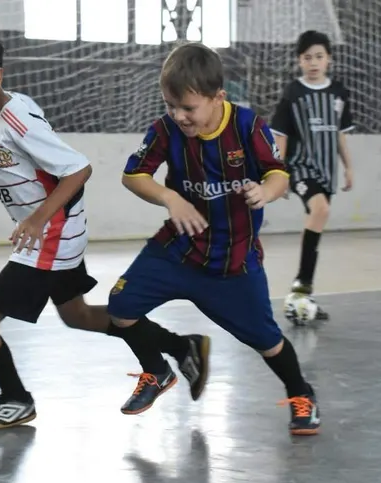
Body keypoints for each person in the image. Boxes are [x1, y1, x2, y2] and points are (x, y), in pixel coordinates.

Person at [0, 21, 209, 430]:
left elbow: (78, 170)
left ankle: (16, 399)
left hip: (50, 241)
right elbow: (26, 160)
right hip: (58, 236)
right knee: (77, 315)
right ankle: (180, 346)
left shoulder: (16, 118)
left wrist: (36, 217)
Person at [107, 42, 321, 435]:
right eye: (171, 105)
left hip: (233, 262)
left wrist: (266, 192)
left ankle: (300, 392)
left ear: (217, 97)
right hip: (177, 249)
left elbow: (278, 172)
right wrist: (169, 197)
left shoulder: (247, 126)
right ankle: (157, 371)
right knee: (120, 307)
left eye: (188, 108)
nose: (178, 115)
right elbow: (133, 175)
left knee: (268, 342)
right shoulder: (165, 129)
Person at [270, 30, 355, 322]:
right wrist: (279, 173)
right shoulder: (293, 94)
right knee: (321, 209)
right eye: (308, 58)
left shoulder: (339, 93)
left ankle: (304, 294)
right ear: (299, 61)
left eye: (319, 56)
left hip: (327, 170)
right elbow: (280, 136)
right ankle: (302, 283)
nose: (314, 62)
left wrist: (349, 166)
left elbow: (341, 136)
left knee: (320, 217)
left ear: (328, 59)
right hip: (300, 166)